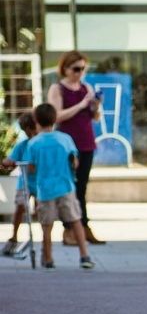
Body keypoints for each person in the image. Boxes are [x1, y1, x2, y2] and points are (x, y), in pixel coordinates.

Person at [24, 104, 94, 270]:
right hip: (66, 186)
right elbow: (75, 162)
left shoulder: (33, 143)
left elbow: (31, 167)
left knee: (47, 224)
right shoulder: (65, 139)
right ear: (55, 119)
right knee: (75, 220)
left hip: (45, 189)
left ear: (36, 121)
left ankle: (48, 257)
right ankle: (84, 255)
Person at [48, 51, 105, 246]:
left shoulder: (86, 87)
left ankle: (83, 227)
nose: (80, 73)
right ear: (65, 69)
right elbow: (55, 116)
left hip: (87, 142)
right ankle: (69, 229)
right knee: (69, 188)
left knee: (82, 187)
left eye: (83, 69)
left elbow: (95, 117)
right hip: (67, 144)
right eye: (76, 69)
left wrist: (95, 106)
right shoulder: (58, 89)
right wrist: (81, 104)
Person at [2, 113, 37, 256]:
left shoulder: (41, 143)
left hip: (40, 182)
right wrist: (7, 163)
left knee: (42, 209)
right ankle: (14, 237)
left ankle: (45, 236)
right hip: (25, 182)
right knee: (20, 208)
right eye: (27, 131)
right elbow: (10, 159)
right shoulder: (23, 145)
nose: (30, 133)